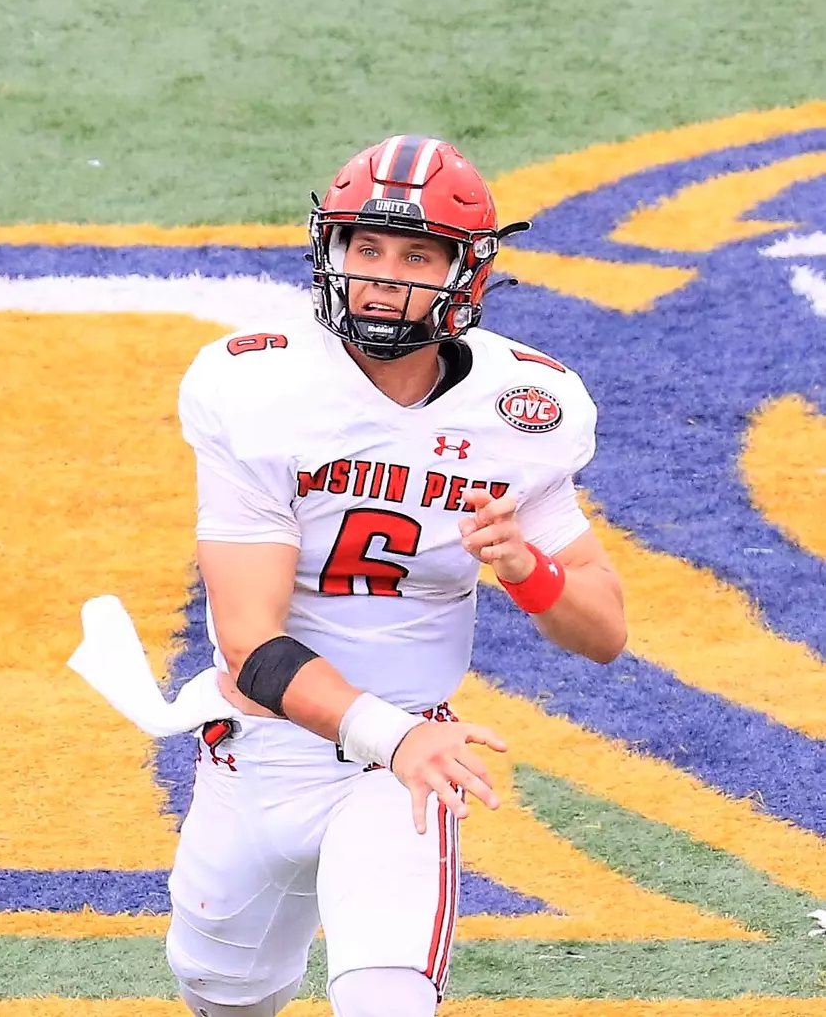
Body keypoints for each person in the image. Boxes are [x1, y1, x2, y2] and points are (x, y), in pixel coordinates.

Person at [166, 136, 627, 1017]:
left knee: (388, 1000)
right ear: (330, 250)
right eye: (365, 247)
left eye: (415, 256)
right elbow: (251, 644)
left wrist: (526, 568)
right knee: (223, 991)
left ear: (466, 272)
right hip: (262, 744)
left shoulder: (521, 409)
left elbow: (603, 630)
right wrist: (394, 737)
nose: (381, 277)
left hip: (406, 760)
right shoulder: (258, 385)